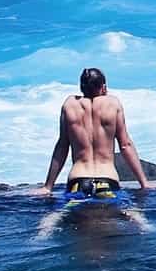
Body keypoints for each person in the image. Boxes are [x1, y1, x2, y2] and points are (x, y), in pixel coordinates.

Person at [41, 66, 149, 197]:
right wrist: (144, 183)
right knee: (130, 213)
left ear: (81, 87)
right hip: (107, 180)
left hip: (77, 181)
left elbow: (62, 147)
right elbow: (125, 145)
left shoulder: (69, 104)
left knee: (62, 214)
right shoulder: (113, 103)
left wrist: (48, 187)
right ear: (103, 87)